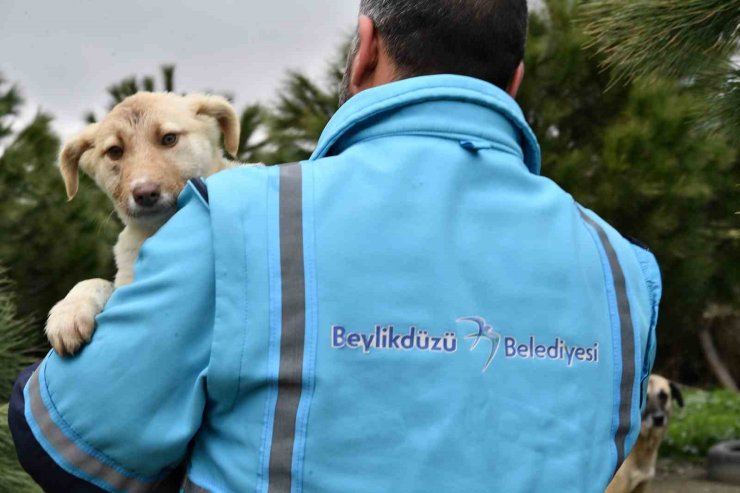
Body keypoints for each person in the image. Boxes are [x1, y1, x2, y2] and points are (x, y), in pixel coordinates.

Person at [9, 1, 662, 492]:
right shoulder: (626, 272)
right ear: (514, 80)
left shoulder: (243, 221)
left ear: (365, 50)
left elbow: (68, 440)